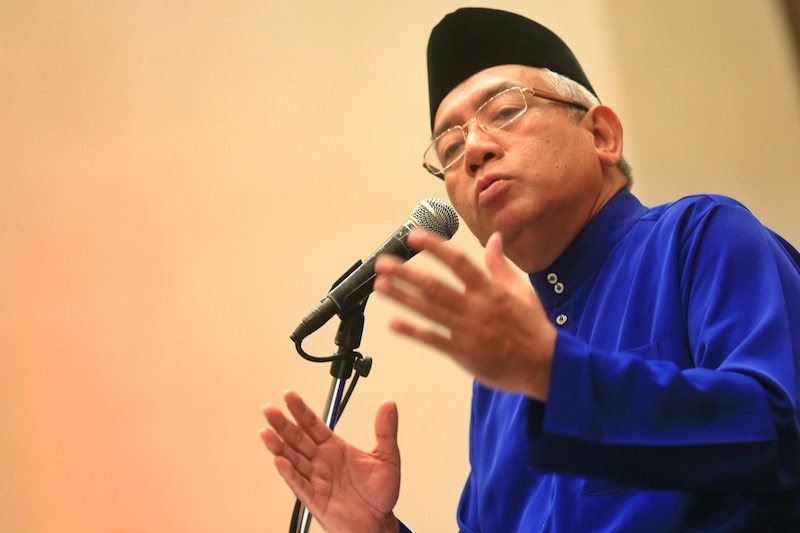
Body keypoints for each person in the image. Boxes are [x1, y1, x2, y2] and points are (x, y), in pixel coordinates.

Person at [261, 7, 800, 532]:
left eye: (502, 111)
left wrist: (558, 376)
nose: (472, 148)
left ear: (601, 136)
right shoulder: (503, 370)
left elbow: (779, 435)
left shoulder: (701, 238)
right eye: (449, 147)